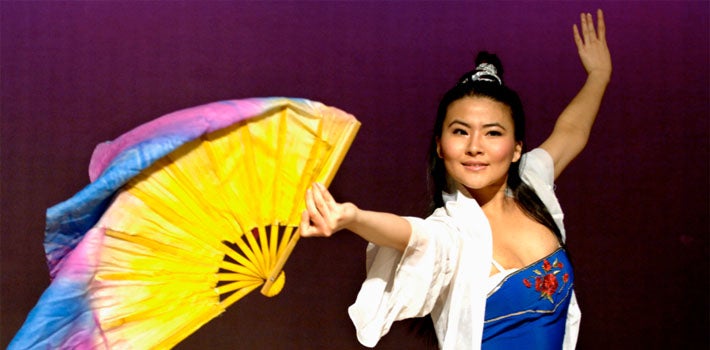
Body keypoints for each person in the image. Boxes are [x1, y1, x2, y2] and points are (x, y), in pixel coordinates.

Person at [300, 9, 611, 349]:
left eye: (493, 133)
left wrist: (599, 74)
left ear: (517, 148)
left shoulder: (532, 183)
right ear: (440, 145)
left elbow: (571, 132)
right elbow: (410, 233)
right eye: (460, 132)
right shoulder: (452, 233)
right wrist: (353, 217)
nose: (474, 147)